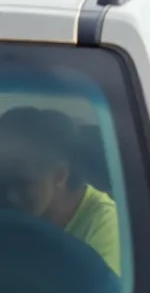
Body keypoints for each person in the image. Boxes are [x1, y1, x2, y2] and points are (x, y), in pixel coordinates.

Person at [0, 106, 121, 276]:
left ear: (59, 175)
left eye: (23, 184)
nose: (10, 195)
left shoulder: (105, 223)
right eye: (3, 180)